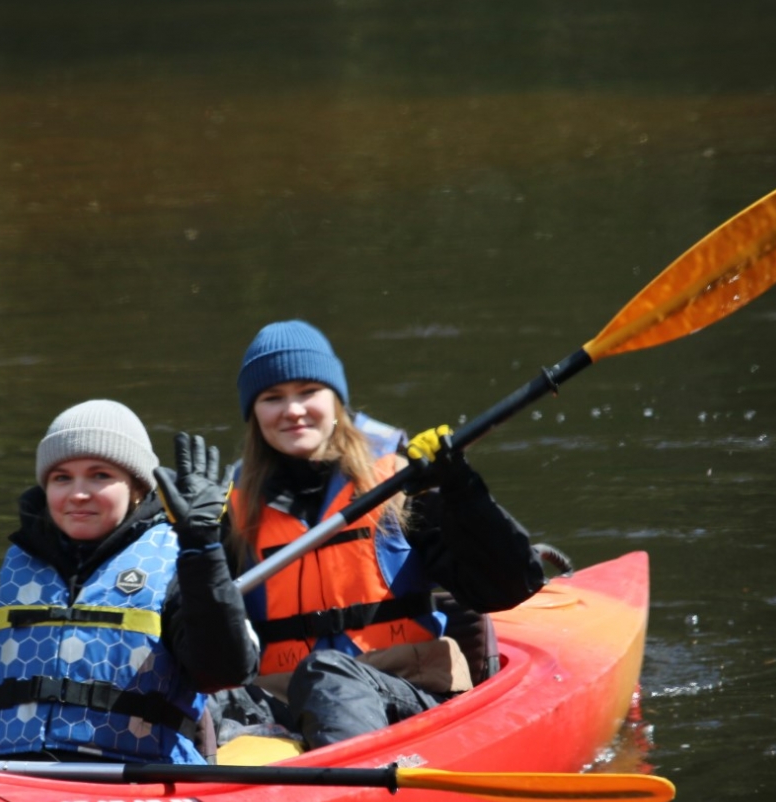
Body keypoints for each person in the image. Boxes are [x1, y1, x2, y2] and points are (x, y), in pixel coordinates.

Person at [0, 399, 258, 775]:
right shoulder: (0, 589)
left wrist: (202, 551)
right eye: (62, 478)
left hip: (135, 786)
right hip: (4, 785)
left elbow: (224, 669)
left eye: (100, 475)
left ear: (137, 489)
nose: (78, 493)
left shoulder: (179, 576)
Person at [216, 319, 544, 749]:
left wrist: (459, 487)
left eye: (308, 392)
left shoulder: (400, 480)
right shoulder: (231, 506)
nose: (292, 410)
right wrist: (190, 539)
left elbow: (511, 584)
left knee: (328, 674)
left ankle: (355, 800)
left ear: (336, 400)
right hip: (281, 706)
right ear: (253, 413)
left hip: (408, 690)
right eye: (272, 398)